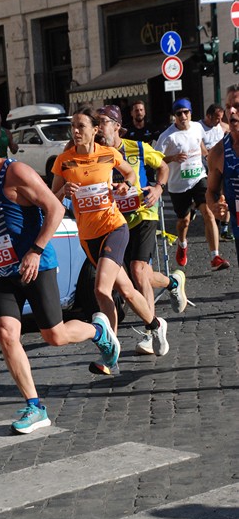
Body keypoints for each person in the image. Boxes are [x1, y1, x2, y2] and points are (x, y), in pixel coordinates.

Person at [0, 122, 122, 435]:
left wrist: (35, 250)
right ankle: (35, 406)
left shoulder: (17, 173)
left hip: (37, 265)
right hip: (5, 271)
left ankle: (98, 329)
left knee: (54, 335)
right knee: (5, 332)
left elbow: (55, 209)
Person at [51, 106, 169, 375]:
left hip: (114, 227)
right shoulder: (64, 161)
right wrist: (62, 191)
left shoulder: (108, 154)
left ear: (94, 130)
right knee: (125, 290)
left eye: (82, 126)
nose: (76, 131)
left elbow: (129, 174)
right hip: (88, 236)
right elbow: (51, 199)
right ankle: (155, 325)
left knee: (101, 290)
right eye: (73, 126)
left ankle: (109, 355)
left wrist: (124, 186)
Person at [96, 105, 187, 355]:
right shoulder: (98, 155)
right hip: (117, 222)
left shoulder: (137, 147)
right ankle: (172, 282)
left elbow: (163, 167)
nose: (99, 127)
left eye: (103, 122)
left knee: (138, 270)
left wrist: (159, 188)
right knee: (136, 278)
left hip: (144, 213)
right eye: (97, 122)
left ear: (116, 125)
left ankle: (151, 332)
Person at [155, 98, 229, 271]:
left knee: (209, 213)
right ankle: (182, 243)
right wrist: (172, 158)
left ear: (190, 113)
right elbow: (155, 159)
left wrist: (207, 156)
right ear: (174, 116)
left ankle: (215, 256)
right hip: (178, 185)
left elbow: (200, 142)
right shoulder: (167, 136)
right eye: (178, 113)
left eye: (185, 112)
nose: (183, 116)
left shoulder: (197, 127)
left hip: (199, 178)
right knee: (184, 221)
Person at [207, 84, 239, 267]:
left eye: (237, 106)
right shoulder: (218, 152)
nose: (232, 111)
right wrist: (214, 205)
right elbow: (211, 191)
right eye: (228, 106)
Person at [198, 103, 233, 242]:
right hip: (205, 168)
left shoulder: (222, 126)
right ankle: (214, 225)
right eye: (217, 118)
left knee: (226, 195)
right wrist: (208, 155)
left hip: (221, 167)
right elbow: (199, 145)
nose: (219, 121)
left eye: (221, 118)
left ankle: (224, 228)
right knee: (212, 197)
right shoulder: (198, 128)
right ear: (208, 116)